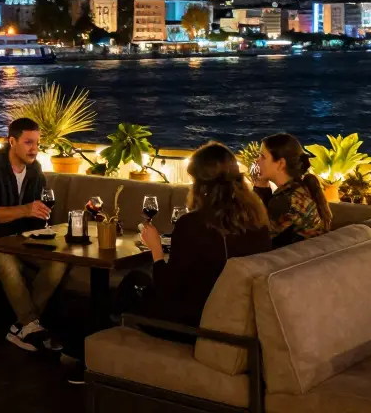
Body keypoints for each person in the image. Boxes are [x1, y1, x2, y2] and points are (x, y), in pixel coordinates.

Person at [115, 142, 272, 342]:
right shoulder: (256, 220)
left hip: (193, 326)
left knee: (131, 284)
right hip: (234, 320)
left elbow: (167, 289)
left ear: (202, 186)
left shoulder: (193, 224)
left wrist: (155, 248)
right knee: (139, 280)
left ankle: (94, 351)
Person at [0, 117, 67, 352]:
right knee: (8, 263)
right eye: (28, 142)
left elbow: (38, 211)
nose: (34, 149)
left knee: (58, 262)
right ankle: (29, 324)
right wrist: (27, 209)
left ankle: (22, 328)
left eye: (37, 143)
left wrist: (44, 221)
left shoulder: (35, 170)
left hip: (19, 238)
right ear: (12, 141)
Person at [252, 133, 332, 248]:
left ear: (280, 163)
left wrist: (258, 186)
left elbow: (257, 237)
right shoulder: (302, 188)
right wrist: (261, 183)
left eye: (263, 157)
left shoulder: (286, 201)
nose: (257, 161)